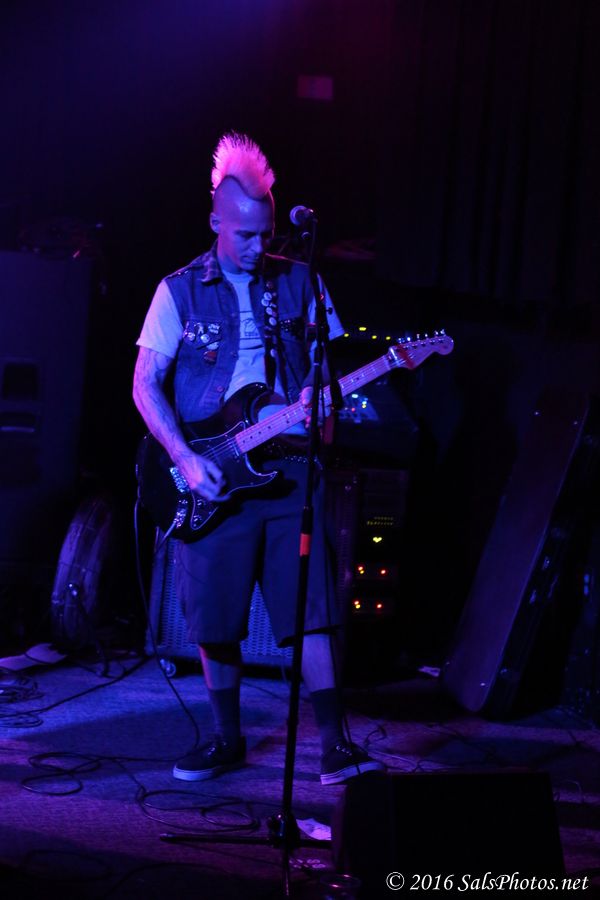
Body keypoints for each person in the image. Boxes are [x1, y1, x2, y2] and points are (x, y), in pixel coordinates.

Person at [133, 132, 384, 785]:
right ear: (216, 221)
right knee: (215, 618)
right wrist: (186, 459)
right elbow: (144, 385)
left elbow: (327, 371)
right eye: (244, 234)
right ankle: (226, 738)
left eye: (265, 234)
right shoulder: (178, 291)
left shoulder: (302, 283)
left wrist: (319, 401)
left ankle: (334, 744)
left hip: (290, 468)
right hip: (213, 472)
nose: (256, 246)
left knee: (311, 610)